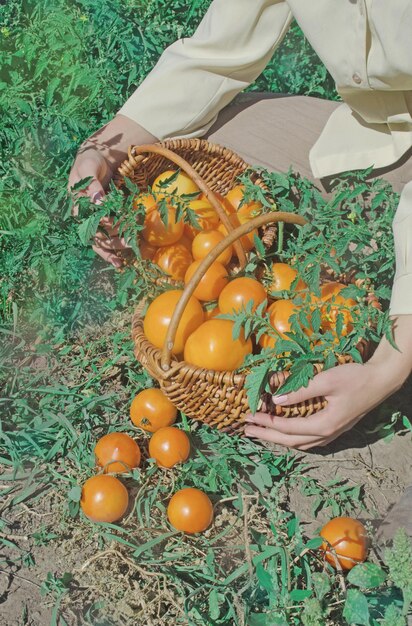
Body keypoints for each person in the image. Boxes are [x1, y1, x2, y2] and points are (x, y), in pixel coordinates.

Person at [68, 1, 412, 458]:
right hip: (375, 128)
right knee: (193, 156)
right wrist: (102, 152)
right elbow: (214, 56)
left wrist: (390, 366)